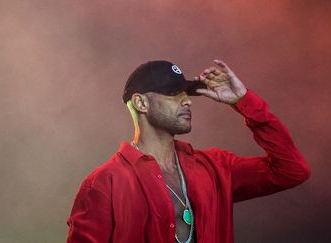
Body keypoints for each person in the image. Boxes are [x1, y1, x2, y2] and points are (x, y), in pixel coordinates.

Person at [66, 60, 310, 243]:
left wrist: (243, 101)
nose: (188, 101)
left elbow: (291, 170)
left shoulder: (215, 167)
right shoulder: (104, 184)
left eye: (187, 93)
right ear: (141, 103)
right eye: (174, 94)